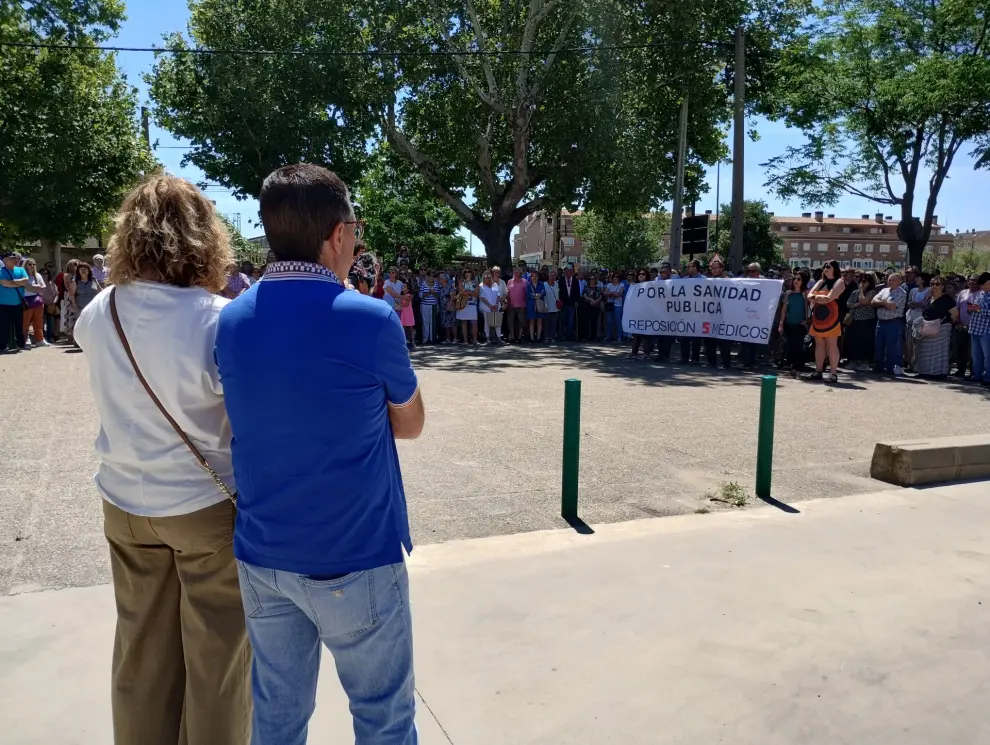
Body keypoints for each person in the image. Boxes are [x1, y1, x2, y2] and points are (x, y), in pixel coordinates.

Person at [213, 163, 424, 744]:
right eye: (354, 227)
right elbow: (411, 423)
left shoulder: (231, 321)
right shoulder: (370, 317)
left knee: (277, 720)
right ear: (337, 235)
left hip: (264, 556)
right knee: (383, 718)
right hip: (356, 554)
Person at [73, 174, 250, 745]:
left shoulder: (100, 311)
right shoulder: (219, 318)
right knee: (217, 663)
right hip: (202, 506)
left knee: (140, 654)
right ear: (204, 238)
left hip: (123, 501)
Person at [804, 260, 845, 382]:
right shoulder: (821, 281)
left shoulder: (839, 282)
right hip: (818, 319)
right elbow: (809, 295)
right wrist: (819, 298)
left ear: (835, 268)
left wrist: (816, 298)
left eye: (828, 266)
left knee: (832, 345)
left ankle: (833, 373)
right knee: (819, 345)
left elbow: (829, 298)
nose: (825, 268)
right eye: (824, 266)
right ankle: (818, 370)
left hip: (833, 319)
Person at [913, 276, 958, 378]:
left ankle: (938, 373)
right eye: (932, 284)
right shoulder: (930, 298)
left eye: (937, 284)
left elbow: (954, 314)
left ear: (942, 286)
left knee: (938, 352)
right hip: (927, 327)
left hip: (942, 328)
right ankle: (924, 372)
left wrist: (946, 324)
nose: (934, 286)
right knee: (925, 351)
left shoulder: (947, 299)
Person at [871, 272, 908, 376]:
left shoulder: (902, 293)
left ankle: (891, 369)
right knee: (879, 346)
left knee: (892, 347)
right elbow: (873, 302)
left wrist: (881, 302)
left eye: (893, 280)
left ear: (899, 282)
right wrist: (884, 303)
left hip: (893, 322)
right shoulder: (884, 290)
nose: (889, 281)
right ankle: (879, 368)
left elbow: (892, 306)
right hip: (880, 322)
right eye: (889, 279)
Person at [842, 272, 877, 370]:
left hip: (866, 321)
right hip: (854, 320)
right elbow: (848, 304)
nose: (861, 283)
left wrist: (861, 291)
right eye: (860, 281)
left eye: (864, 281)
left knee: (865, 342)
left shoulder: (872, 292)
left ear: (869, 283)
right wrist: (857, 305)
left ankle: (864, 362)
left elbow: (864, 301)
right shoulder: (855, 292)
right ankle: (852, 361)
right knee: (853, 341)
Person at [778, 272, 809, 377]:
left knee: (798, 346)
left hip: (799, 325)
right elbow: (784, 310)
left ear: (803, 281)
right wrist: (781, 324)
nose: (796, 281)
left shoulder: (805, 293)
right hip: (788, 323)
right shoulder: (788, 293)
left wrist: (807, 320)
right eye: (795, 279)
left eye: (799, 279)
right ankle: (792, 369)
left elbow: (808, 308)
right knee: (790, 346)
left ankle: (797, 369)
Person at [704, 255, 732, 369]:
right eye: (712, 268)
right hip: (709, 315)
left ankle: (725, 362)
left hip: (723, 315)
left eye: (716, 268)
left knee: (723, 341)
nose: (714, 270)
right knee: (708, 339)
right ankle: (711, 361)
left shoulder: (727, 281)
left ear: (721, 269)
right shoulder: (707, 281)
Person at [0, 251, 29, 352]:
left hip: (18, 304)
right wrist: (19, 283)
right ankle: (3, 346)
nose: (14, 260)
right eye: (11, 258)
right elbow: (4, 283)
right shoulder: (1, 271)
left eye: (14, 258)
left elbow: (26, 280)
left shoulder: (21, 270)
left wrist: (12, 282)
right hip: (3, 304)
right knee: (3, 326)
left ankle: (21, 344)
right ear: (5, 260)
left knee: (19, 325)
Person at [954, 274, 981, 378]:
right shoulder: (962, 293)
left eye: (975, 281)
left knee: (973, 352)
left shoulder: (981, 294)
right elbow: (957, 309)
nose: (972, 282)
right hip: (961, 326)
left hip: (974, 327)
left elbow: (979, 310)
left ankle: (973, 372)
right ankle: (961, 370)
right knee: (961, 349)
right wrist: (958, 323)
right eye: (970, 280)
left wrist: (969, 324)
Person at [19, 257, 50, 348]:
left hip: (38, 301)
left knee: (38, 321)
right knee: (26, 322)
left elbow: (44, 287)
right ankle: (25, 339)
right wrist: (37, 287)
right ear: (25, 265)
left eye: (33, 264)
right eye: (29, 264)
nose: (32, 266)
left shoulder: (38, 275)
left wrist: (34, 287)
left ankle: (40, 339)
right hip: (27, 301)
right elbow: (28, 287)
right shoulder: (23, 276)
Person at [966, 272, 990, 386]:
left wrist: (979, 309)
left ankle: (988, 377)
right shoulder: (980, 294)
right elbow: (975, 308)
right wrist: (971, 308)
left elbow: (986, 311)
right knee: (976, 355)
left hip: (986, 331)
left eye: (982, 284)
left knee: (988, 356)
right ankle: (977, 375)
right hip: (975, 328)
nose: (980, 286)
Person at [904, 272, 931, 372]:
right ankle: (909, 363)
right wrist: (916, 304)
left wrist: (915, 304)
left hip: (920, 318)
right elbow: (908, 303)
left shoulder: (929, 290)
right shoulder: (913, 290)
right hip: (910, 317)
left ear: (923, 280)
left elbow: (924, 303)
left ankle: (916, 364)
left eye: (918, 278)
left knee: (917, 342)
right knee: (909, 342)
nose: (916, 280)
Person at [557, 264, 582, 341]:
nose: (568, 272)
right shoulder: (561, 280)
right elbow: (558, 291)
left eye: (570, 271)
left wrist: (577, 301)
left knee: (571, 321)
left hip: (572, 303)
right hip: (563, 303)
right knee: (562, 320)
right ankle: (560, 336)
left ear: (572, 272)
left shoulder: (575, 281)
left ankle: (569, 336)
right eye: (566, 271)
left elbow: (577, 291)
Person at [479, 271, 504, 345]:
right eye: (486, 277)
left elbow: (498, 295)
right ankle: (487, 339)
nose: (488, 278)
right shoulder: (481, 286)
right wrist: (489, 306)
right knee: (487, 323)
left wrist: (496, 305)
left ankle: (499, 338)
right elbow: (482, 297)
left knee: (497, 323)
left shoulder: (495, 284)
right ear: (483, 277)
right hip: (486, 307)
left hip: (495, 306)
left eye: (489, 276)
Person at [456, 267, 480, 345]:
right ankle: (465, 340)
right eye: (465, 272)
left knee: (474, 323)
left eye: (469, 271)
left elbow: (476, 294)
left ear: (471, 273)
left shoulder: (475, 282)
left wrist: (467, 292)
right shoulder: (461, 282)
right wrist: (470, 292)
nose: (467, 273)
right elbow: (460, 292)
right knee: (464, 322)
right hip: (463, 304)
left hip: (472, 305)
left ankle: (475, 340)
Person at [506, 267, 527, 342]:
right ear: (513, 273)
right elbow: (507, 293)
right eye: (516, 273)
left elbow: (527, 294)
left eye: (520, 273)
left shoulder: (525, 282)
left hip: (521, 306)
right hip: (511, 305)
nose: (518, 274)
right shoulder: (509, 282)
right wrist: (508, 302)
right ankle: (512, 337)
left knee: (521, 322)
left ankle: (519, 337)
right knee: (510, 322)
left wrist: (524, 304)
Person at [39, 266, 60, 342]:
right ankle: (41, 338)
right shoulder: (38, 284)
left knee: (50, 322)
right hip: (41, 304)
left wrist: (54, 302)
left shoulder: (52, 284)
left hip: (51, 305)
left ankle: (50, 337)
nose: (44, 275)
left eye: (46, 273)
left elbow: (57, 294)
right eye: (42, 273)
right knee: (41, 322)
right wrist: (44, 301)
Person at [418, 269, 439, 344]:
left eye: (433, 276)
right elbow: (420, 295)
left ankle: (432, 338)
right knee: (425, 322)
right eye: (430, 276)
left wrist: (434, 293)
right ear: (428, 276)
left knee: (432, 322)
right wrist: (428, 293)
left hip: (434, 305)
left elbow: (439, 295)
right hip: (424, 305)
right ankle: (425, 338)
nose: (432, 277)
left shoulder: (437, 284)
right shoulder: (423, 284)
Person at [526, 268, 547, 342]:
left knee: (539, 321)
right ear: (531, 277)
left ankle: (538, 338)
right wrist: (536, 295)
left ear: (538, 277)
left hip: (539, 304)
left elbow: (544, 293)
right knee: (531, 321)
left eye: (536, 276)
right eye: (533, 276)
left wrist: (537, 295)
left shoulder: (542, 284)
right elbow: (527, 295)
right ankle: (532, 338)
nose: (534, 278)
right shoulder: (528, 285)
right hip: (531, 305)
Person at [581, 274, 603, 342]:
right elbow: (584, 295)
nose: (592, 280)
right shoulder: (586, 287)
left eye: (593, 279)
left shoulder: (598, 288)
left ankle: (594, 336)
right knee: (587, 321)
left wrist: (596, 301)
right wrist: (590, 300)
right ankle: (587, 336)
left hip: (596, 306)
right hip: (587, 305)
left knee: (594, 321)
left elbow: (600, 296)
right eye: (590, 279)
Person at [604, 272, 624, 342]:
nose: (615, 278)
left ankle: (619, 336)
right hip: (610, 304)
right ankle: (608, 336)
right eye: (614, 277)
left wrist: (610, 293)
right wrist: (613, 293)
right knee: (609, 321)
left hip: (618, 305)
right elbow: (605, 293)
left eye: (617, 277)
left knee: (618, 321)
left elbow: (620, 294)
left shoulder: (621, 284)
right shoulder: (609, 284)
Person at [437, 272, 456, 344]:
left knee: (452, 323)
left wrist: (449, 305)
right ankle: (447, 339)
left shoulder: (450, 286)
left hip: (450, 308)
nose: (438, 280)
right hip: (443, 308)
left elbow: (453, 296)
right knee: (445, 324)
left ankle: (455, 338)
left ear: (444, 279)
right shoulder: (441, 288)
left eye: (440, 278)